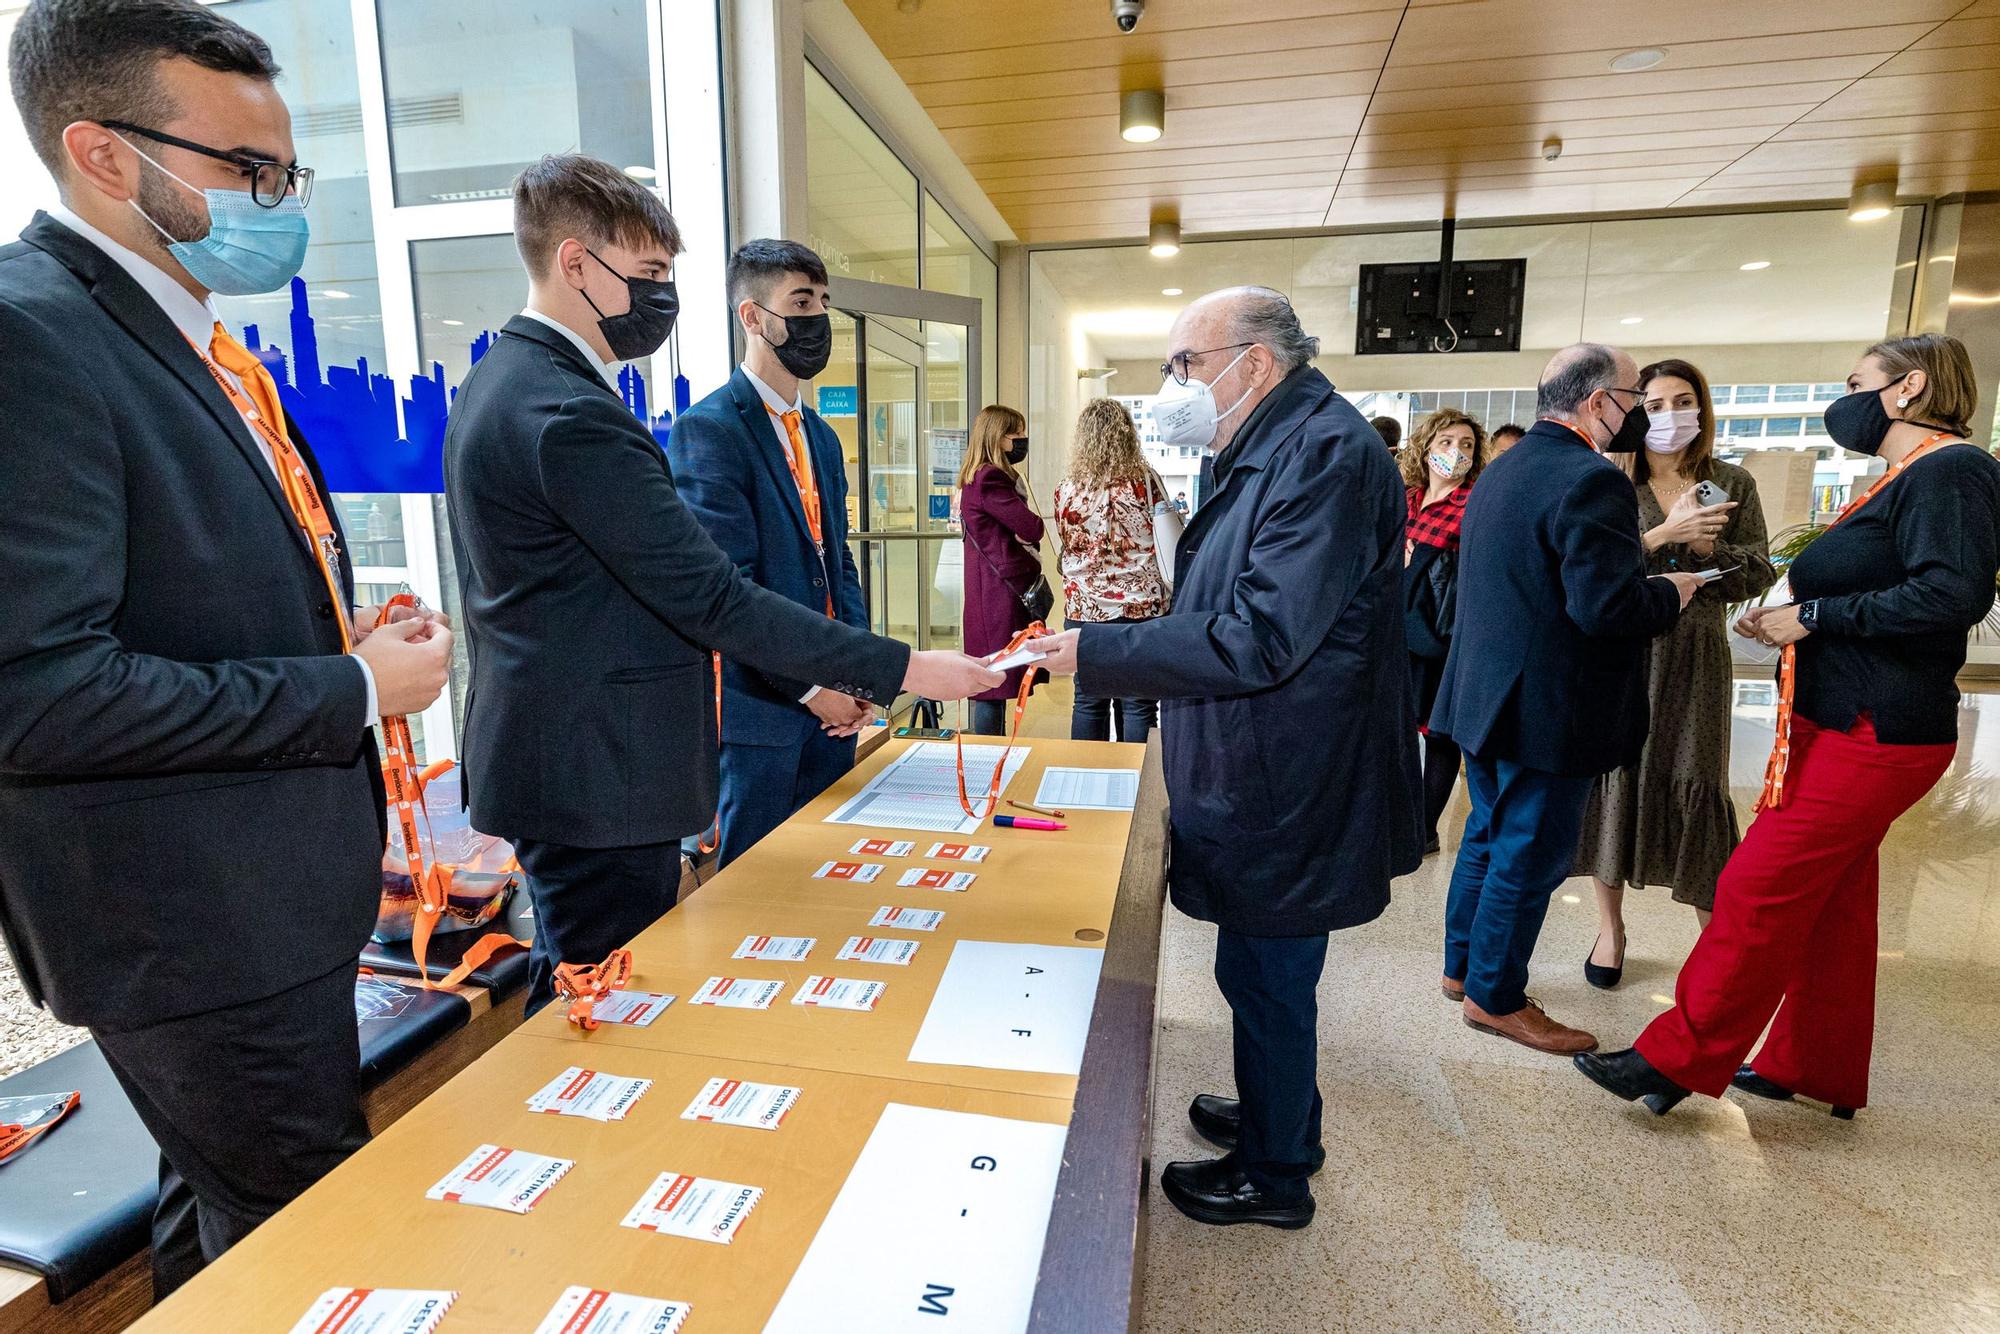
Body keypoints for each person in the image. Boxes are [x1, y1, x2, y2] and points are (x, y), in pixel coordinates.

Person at [0, 0, 455, 1294]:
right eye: (246, 172)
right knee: (319, 1249)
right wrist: (355, 686)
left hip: (262, 907)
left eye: (286, 171)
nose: (277, 201)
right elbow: (37, 693)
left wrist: (337, 637)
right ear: (103, 154)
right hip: (190, 928)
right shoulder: (31, 334)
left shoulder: (186, 340)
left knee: (216, 1228)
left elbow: (175, 602)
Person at [443, 155, 999, 1016]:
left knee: (577, 981)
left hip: (565, 755)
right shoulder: (570, 412)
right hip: (597, 767)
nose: (664, 296)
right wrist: (907, 668)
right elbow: (714, 596)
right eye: (651, 274)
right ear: (575, 263)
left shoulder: (500, 381)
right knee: (598, 1001)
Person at [1029, 287, 1422, 1230]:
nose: (1175, 386)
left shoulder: (1321, 454)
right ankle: (1280, 1117)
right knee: (1258, 973)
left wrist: (1098, 647)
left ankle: (1277, 1175)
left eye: (1186, 365)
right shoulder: (1268, 442)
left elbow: (1258, 636)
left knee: (1271, 976)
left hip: (1292, 773)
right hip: (1266, 759)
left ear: (1256, 361)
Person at [1576, 334, 2000, 1118]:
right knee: (1835, 904)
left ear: (1906, 390)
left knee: (1753, 887)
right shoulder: (1909, 476)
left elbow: (1952, 594)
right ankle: (1814, 1065)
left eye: (1856, 384)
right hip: (1842, 723)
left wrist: (1811, 614)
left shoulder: (1954, 472)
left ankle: (1672, 1061)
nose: (1845, 399)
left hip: (1875, 733)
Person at [1429, 344, 1700, 1055]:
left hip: (1485, 694)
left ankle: (1465, 970)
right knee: (1529, 853)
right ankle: (1495, 998)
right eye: (1636, 395)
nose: (1640, 409)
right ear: (1597, 400)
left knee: (1488, 836)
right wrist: (1669, 592)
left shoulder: (1504, 469)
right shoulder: (1591, 479)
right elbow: (1604, 609)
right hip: (1547, 705)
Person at [668, 240, 871, 868]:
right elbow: (729, 585)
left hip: (834, 705)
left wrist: (857, 668)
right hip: (761, 714)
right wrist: (812, 687)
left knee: (831, 869)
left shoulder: (823, 438)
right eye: (801, 302)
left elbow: (838, 560)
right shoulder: (709, 430)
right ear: (753, 316)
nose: (818, 319)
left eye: (825, 303)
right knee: (754, 888)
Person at [1573, 358, 1774, 987]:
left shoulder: (1730, 481)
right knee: (1616, 777)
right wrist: (1664, 534)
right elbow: (1592, 571)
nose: (1668, 417)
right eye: (1654, 405)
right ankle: (1610, 928)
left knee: (1695, 776)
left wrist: (1711, 549)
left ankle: (1715, 940)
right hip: (1624, 651)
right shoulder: (1608, 481)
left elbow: (1759, 573)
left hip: (1694, 654)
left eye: (1682, 402)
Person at [1051, 398, 1170, 743]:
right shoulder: (1145, 482)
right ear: (1127, 435)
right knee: (1138, 704)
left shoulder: (1067, 488)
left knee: (1089, 701)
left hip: (1085, 610)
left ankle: (1087, 783)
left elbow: (1066, 542)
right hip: (1141, 608)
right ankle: (1136, 785)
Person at [1399, 407, 1488, 855]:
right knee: (1395, 728)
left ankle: (1424, 830)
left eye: (1467, 445)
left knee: (1439, 734)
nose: (1457, 453)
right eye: (1447, 443)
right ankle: (1397, 819)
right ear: (1427, 447)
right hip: (1397, 631)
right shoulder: (1407, 497)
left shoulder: (1475, 503)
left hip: (1444, 636)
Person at [959, 403, 1046, 736]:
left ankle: (991, 751)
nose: (1022, 440)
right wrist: (1028, 523)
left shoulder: (975, 478)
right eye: (1017, 434)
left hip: (989, 590)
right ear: (999, 437)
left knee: (992, 680)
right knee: (992, 682)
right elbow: (1031, 526)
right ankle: (988, 753)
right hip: (997, 593)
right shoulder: (990, 478)